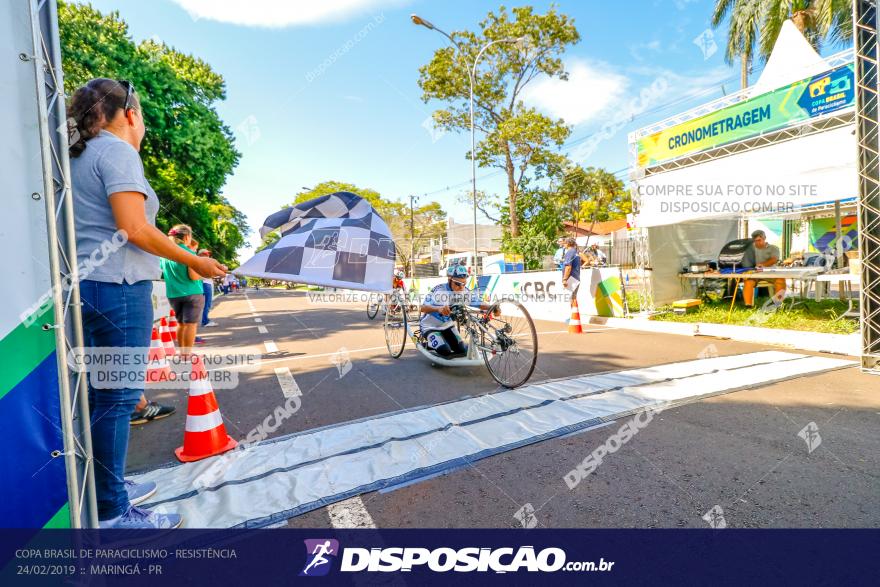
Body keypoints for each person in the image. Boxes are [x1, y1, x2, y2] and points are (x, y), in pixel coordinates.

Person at [68, 78, 226, 529]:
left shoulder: (80, 154)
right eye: (143, 117)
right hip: (118, 286)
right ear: (130, 114)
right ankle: (114, 514)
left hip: (90, 285)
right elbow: (135, 228)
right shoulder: (116, 151)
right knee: (118, 399)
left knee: (102, 397)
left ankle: (106, 489)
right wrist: (194, 258)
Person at [419, 265, 495, 358]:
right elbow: (422, 308)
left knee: (461, 349)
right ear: (449, 280)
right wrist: (438, 309)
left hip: (447, 326)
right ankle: (428, 343)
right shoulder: (439, 290)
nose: (461, 287)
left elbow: (478, 303)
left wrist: (492, 307)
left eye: (464, 284)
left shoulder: (463, 292)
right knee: (445, 351)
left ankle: (443, 340)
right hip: (430, 326)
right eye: (458, 284)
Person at [160, 225, 208, 359]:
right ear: (187, 237)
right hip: (192, 293)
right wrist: (204, 274)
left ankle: (182, 353)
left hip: (174, 294)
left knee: (180, 323)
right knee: (191, 325)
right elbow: (193, 276)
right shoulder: (189, 253)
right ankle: (187, 354)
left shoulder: (165, 254)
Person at [742, 229, 786, 306]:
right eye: (755, 241)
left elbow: (774, 259)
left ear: (764, 238)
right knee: (748, 281)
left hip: (770, 272)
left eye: (759, 240)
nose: (757, 243)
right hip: (755, 272)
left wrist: (763, 264)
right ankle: (748, 305)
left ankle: (778, 303)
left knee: (781, 280)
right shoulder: (750, 249)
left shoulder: (773, 248)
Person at [198, 249, 218, 327]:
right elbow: (209, 274)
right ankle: (205, 321)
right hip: (205, 283)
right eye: (206, 254)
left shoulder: (201, 262)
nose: (208, 255)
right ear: (201, 255)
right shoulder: (202, 262)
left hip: (206, 283)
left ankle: (205, 319)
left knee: (207, 303)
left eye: (208, 254)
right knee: (207, 303)